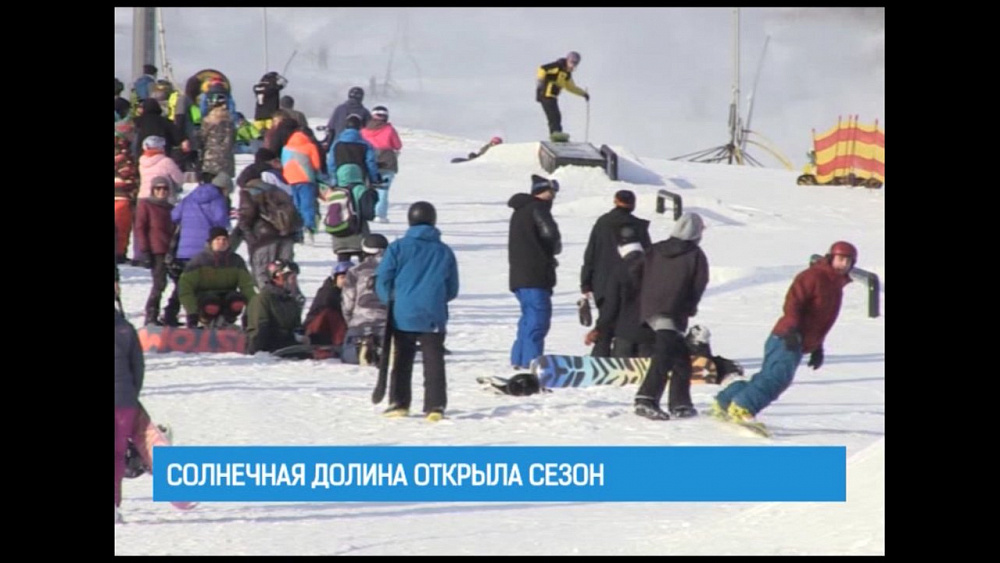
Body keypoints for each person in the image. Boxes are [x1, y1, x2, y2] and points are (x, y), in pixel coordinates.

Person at [713, 241, 858, 423]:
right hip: (786, 336)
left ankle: (726, 401)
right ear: (831, 258)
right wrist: (791, 329)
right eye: (840, 259)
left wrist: (817, 346)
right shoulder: (813, 276)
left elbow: (819, 320)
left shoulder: (834, 286)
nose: (844, 264)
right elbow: (793, 302)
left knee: (767, 377)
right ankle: (743, 407)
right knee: (777, 379)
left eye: (848, 261)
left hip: (796, 340)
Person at [376, 202, 459, 421]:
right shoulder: (444, 251)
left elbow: (383, 279)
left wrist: (390, 300)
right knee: (434, 360)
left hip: (402, 311)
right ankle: (435, 406)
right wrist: (436, 299)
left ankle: (399, 402)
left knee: (402, 358)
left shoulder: (398, 247)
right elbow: (452, 288)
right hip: (433, 313)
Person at [633, 213, 709, 421]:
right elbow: (698, 285)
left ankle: (680, 403)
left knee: (681, 358)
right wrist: (689, 308)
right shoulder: (695, 255)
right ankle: (646, 398)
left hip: (650, 307)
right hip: (673, 309)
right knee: (664, 354)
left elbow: (636, 272)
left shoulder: (655, 249)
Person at [580, 189, 652, 356]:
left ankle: (600, 357)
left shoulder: (603, 223)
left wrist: (586, 282)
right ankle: (627, 355)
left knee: (606, 321)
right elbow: (649, 255)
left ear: (615, 201)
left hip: (603, 281)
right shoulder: (638, 226)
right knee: (629, 322)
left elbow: (591, 253)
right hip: (634, 281)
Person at [508, 174, 562, 370]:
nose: (554, 196)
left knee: (527, 320)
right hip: (535, 275)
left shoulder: (520, 211)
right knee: (538, 321)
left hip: (520, 277)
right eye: (551, 192)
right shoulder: (538, 208)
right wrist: (554, 248)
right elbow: (550, 233)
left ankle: (519, 360)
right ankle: (532, 363)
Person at [178, 226, 258, 329]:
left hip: (228, 297)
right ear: (211, 242)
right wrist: (192, 313)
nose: (222, 242)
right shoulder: (199, 261)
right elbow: (185, 288)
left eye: (224, 239)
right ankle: (206, 322)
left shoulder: (236, 261)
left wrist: (252, 311)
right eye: (218, 239)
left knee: (236, 301)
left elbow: (247, 287)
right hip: (204, 299)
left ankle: (226, 323)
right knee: (211, 305)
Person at [229, 178, 298, 288]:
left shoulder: (248, 192)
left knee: (263, 276)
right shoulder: (278, 191)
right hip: (286, 238)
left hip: (264, 240)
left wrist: (249, 237)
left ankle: (268, 298)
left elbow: (246, 216)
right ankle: (289, 297)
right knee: (284, 275)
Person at [135, 177, 182, 326]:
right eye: (158, 188)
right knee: (159, 283)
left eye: (165, 188)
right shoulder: (146, 205)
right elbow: (140, 228)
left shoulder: (170, 208)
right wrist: (144, 250)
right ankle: (151, 315)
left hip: (171, 250)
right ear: (153, 190)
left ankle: (170, 313)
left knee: (182, 282)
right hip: (156, 250)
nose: (162, 191)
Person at [115, 306, 144, 523]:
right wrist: (132, 395)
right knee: (117, 454)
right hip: (124, 402)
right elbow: (138, 367)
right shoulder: (126, 328)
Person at [341, 234, 390, 365]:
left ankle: (361, 348)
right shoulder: (395, 271)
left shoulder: (355, 271)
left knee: (349, 356)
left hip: (361, 320)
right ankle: (385, 348)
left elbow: (348, 301)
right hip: (388, 322)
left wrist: (350, 321)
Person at [274, 118, 322, 242]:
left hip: (290, 178)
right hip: (305, 177)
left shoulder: (286, 147)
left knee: (296, 203)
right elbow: (316, 165)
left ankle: (296, 228)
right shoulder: (310, 146)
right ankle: (309, 227)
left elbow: (284, 163)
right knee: (307, 204)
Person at [170, 171, 232, 267]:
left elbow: (174, 215)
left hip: (185, 249)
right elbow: (221, 222)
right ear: (224, 188)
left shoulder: (189, 197)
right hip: (206, 248)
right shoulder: (218, 199)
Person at [246, 259, 304, 354]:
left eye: (294, 278)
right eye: (290, 277)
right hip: (269, 349)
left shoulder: (291, 300)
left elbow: (296, 327)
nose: (293, 282)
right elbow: (258, 331)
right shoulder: (262, 299)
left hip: (287, 345)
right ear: (276, 278)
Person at [360, 106, 403, 223]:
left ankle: (367, 211)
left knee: (368, 187)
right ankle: (380, 214)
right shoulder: (389, 130)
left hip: (369, 161)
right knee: (383, 189)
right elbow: (398, 145)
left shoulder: (364, 130)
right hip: (387, 161)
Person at [536, 51, 588, 141]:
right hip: (545, 95)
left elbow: (571, 87)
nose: (573, 65)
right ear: (567, 60)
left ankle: (557, 135)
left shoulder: (567, 74)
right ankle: (555, 135)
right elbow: (542, 69)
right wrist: (540, 82)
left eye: (575, 63)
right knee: (554, 116)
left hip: (553, 97)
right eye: (571, 62)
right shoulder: (558, 66)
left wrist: (583, 94)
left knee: (557, 116)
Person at [303, 260, 352, 348]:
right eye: (342, 277)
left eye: (349, 278)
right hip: (318, 330)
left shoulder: (353, 292)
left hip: (335, 331)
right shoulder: (328, 292)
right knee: (330, 313)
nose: (346, 281)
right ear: (335, 279)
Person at [327, 114, 381, 185]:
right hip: (360, 178)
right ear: (360, 127)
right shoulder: (366, 144)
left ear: (346, 126)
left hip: (341, 177)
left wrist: (334, 177)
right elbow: (370, 162)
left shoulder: (336, 144)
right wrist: (374, 178)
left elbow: (331, 163)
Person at [198, 83, 236, 178]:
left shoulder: (208, 121)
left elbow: (202, 139)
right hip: (227, 162)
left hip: (210, 160)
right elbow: (233, 139)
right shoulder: (230, 121)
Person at [137, 135, 184, 201]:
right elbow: (180, 180)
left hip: (143, 198)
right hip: (162, 198)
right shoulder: (166, 161)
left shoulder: (142, 163)